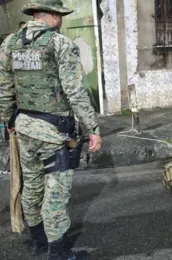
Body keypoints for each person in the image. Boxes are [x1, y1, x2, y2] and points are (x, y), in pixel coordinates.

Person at [0, 0, 102, 259]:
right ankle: (58, 254)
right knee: (55, 195)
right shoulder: (60, 43)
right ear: (55, 15)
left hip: (24, 130)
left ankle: (38, 242)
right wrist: (93, 128)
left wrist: (7, 122)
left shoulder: (10, 43)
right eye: (61, 15)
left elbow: (5, 89)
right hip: (54, 134)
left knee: (32, 187)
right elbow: (76, 91)